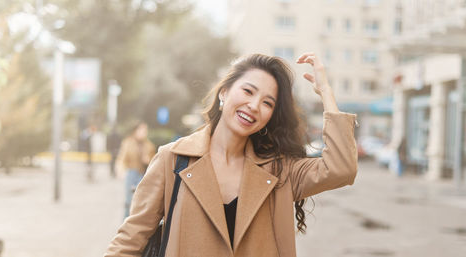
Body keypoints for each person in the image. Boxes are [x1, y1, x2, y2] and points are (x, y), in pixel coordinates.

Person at [105, 53, 358, 257]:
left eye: (267, 103)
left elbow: (341, 169)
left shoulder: (281, 171)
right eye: (248, 91)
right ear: (224, 92)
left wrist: (326, 93)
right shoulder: (172, 159)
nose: (254, 106)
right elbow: (130, 240)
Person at [115, 122, 157, 218]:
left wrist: (148, 160)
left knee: (141, 203)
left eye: (145, 130)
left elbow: (154, 161)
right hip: (131, 173)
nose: (144, 133)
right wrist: (120, 169)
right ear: (135, 131)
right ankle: (125, 225)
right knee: (129, 202)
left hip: (144, 174)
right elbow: (122, 157)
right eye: (142, 130)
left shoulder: (149, 145)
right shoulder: (127, 142)